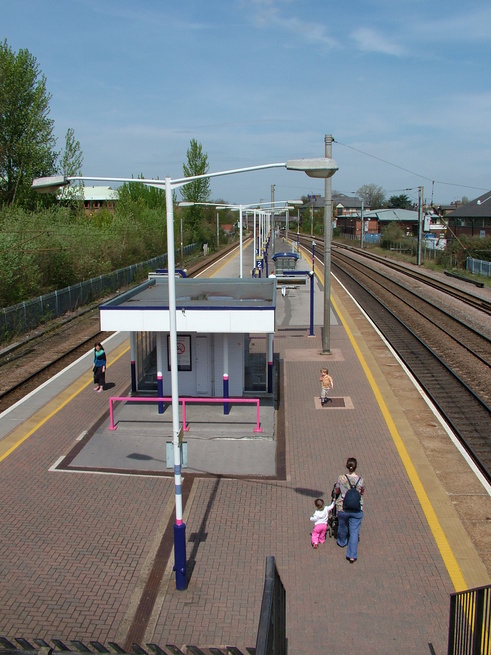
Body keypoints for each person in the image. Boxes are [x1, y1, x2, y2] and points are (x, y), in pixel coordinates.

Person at [334, 457, 365, 563]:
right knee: (354, 532)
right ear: (356, 466)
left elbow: (337, 490)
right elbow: (362, 492)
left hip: (342, 508)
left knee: (342, 526)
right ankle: (352, 555)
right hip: (356, 509)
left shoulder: (341, 478)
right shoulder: (361, 480)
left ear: (346, 466)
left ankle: (342, 542)